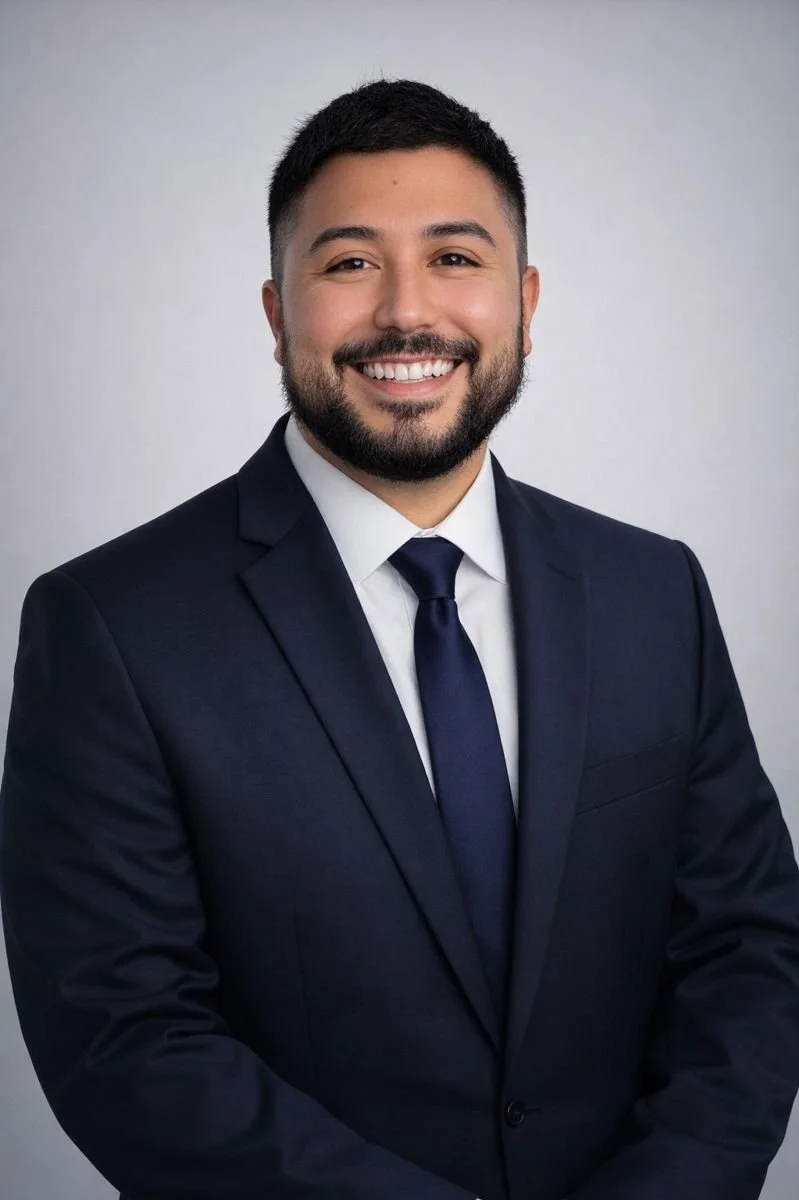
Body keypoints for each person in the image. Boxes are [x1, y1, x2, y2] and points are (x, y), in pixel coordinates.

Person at [2, 77, 798, 1200]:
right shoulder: (111, 625)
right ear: (278, 312)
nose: (405, 313)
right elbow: (126, 1040)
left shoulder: (651, 590)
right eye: (347, 262)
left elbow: (746, 948)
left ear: (524, 300)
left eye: (456, 259)